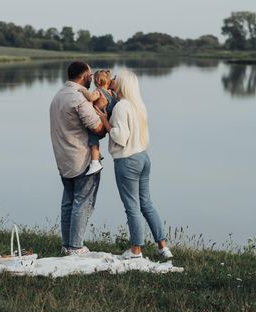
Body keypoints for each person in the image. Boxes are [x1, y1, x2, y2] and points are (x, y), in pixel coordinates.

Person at [96, 69, 173, 260]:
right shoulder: (137, 105)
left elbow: (120, 137)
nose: (112, 80)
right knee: (146, 203)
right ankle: (163, 247)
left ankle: (136, 250)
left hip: (127, 160)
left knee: (132, 206)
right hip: (143, 157)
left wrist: (105, 121)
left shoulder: (122, 107)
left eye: (115, 79)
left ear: (122, 84)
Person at [49, 61, 106, 256]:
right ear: (84, 77)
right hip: (81, 158)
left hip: (62, 157)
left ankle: (67, 244)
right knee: (82, 202)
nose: (91, 79)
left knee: (68, 202)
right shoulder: (78, 98)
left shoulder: (58, 96)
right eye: (90, 75)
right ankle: (75, 247)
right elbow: (97, 127)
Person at [77, 69, 118, 175]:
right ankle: (97, 155)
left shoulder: (98, 91)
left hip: (99, 120)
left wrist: (82, 90)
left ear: (96, 81)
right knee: (93, 140)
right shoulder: (112, 93)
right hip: (109, 119)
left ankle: (95, 163)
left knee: (92, 139)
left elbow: (91, 98)